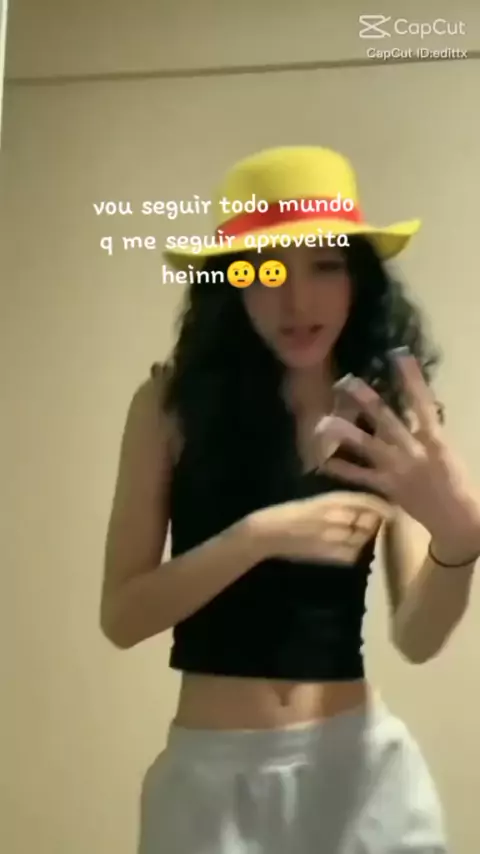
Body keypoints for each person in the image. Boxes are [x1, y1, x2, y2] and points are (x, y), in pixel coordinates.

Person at [100, 146, 480, 854]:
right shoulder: (169, 405)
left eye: (325, 267)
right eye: (268, 271)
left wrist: (461, 545)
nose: (297, 302)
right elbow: (122, 617)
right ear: (234, 283)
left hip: (363, 775)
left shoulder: (384, 413)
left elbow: (417, 639)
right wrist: (259, 536)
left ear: (357, 279)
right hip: (213, 786)